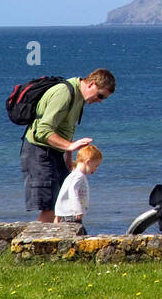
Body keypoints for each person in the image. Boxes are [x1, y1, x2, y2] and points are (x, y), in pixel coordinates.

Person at [21, 68, 114, 223]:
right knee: (51, 206)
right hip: (39, 151)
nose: (100, 101)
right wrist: (70, 146)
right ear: (91, 84)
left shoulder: (79, 99)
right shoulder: (64, 93)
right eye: (100, 95)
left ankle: (54, 241)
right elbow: (42, 131)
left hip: (56, 153)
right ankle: (34, 243)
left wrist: (68, 159)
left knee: (63, 204)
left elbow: (66, 130)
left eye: (103, 98)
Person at [54, 144, 102, 225]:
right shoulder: (79, 176)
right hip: (71, 214)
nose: (96, 169)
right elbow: (73, 191)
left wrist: (58, 214)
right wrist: (78, 210)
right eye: (96, 165)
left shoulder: (73, 174)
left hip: (65, 213)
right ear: (88, 162)